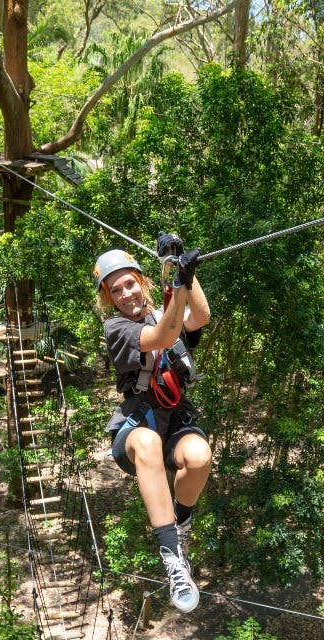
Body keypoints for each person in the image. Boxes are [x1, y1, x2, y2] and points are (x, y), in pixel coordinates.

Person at [93, 235, 212, 612]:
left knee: (199, 457)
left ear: (142, 282)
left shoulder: (164, 311)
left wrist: (186, 275)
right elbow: (164, 336)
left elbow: (201, 316)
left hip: (173, 420)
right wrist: (179, 284)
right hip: (136, 425)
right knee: (146, 443)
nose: (126, 293)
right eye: (116, 290)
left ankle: (181, 521)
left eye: (130, 283)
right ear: (108, 299)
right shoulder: (117, 329)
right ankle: (173, 558)